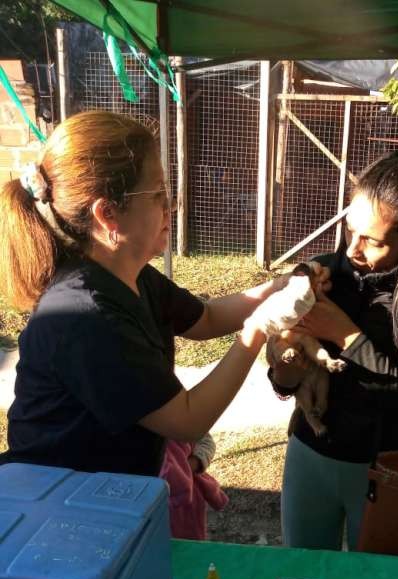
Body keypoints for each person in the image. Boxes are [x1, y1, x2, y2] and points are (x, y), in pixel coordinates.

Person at [0, 110, 323, 478]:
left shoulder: (132, 276)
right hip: (56, 496)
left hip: (103, 490)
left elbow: (207, 318)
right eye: (157, 193)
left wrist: (281, 286)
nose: (172, 205)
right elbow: (186, 419)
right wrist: (258, 329)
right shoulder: (85, 316)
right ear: (108, 214)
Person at [270, 148, 398, 551]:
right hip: (308, 456)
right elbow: (284, 377)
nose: (352, 250)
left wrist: (347, 337)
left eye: (371, 241)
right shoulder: (322, 274)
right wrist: (285, 373)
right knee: (304, 575)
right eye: (349, 230)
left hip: (383, 471)